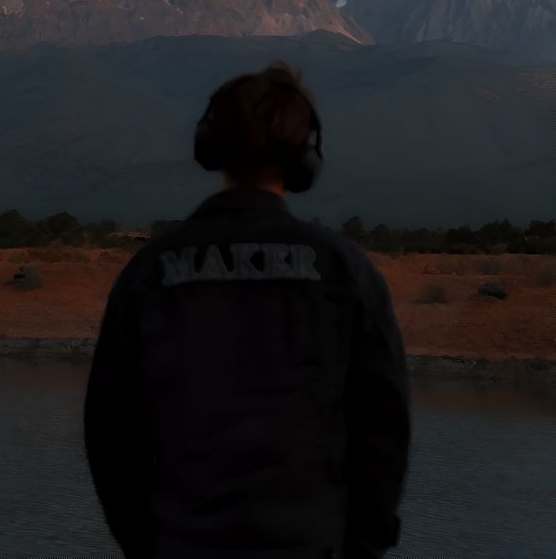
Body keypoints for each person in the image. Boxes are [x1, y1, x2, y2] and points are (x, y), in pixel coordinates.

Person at [84, 61, 411, 559]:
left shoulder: (150, 271)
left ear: (211, 147)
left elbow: (109, 430)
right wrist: (360, 546)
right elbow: (384, 428)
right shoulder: (346, 271)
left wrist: (144, 542)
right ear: (305, 157)